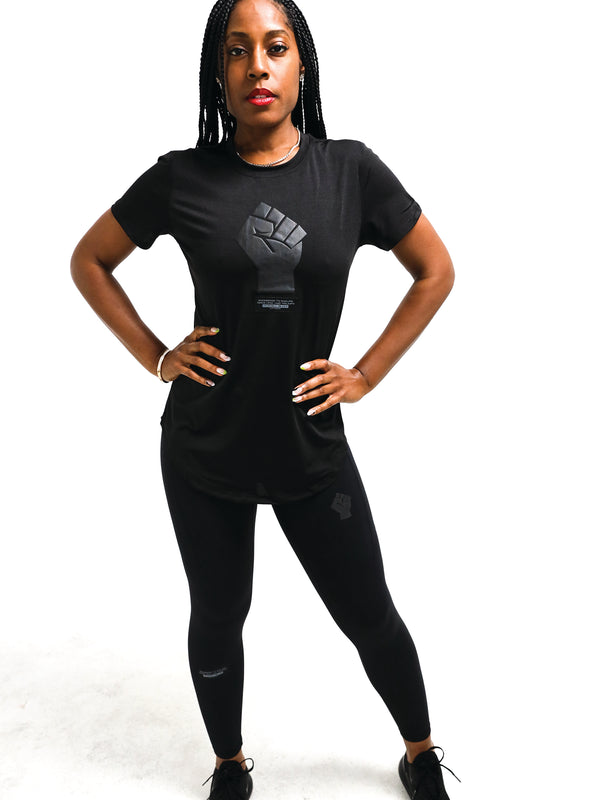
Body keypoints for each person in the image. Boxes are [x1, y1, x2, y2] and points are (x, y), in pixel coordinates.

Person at [70, 1, 459, 797]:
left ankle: (420, 751)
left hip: (310, 446)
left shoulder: (349, 171)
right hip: (204, 446)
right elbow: (90, 261)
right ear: (218, 72)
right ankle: (229, 764)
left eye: (275, 48)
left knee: (369, 613)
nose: (258, 66)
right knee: (218, 616)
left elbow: (435, 270)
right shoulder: (182, 177)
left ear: (300, 63)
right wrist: (156, 356)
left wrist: (366, 374)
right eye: (237, 50)